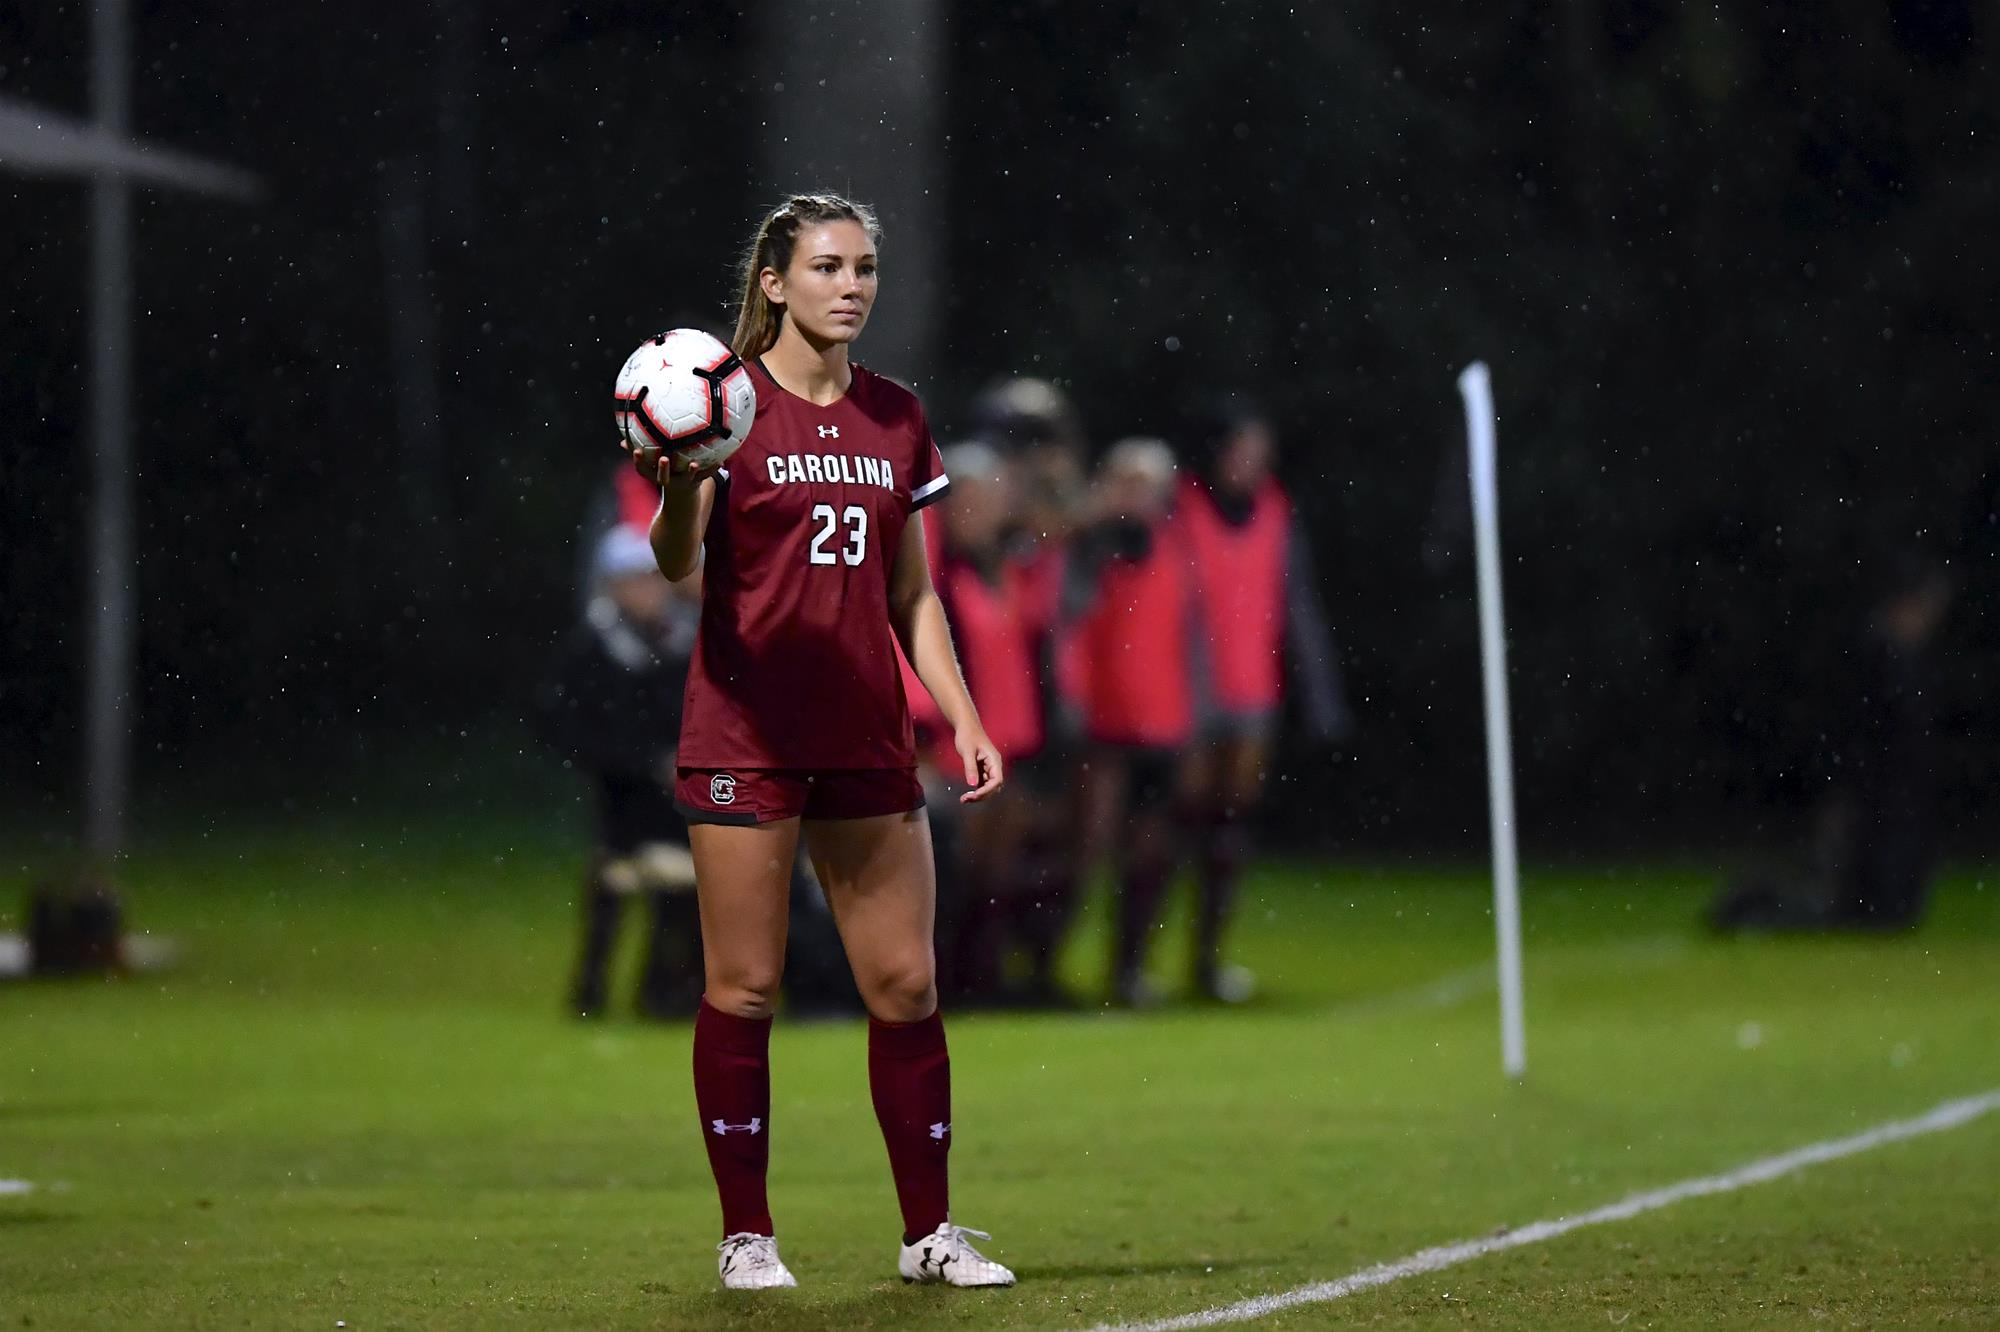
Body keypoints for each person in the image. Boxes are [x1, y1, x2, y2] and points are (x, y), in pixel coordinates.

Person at [623, 193, 1015, 1291]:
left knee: (904, 984)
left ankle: (927, 1234)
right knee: (744, 987)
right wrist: (678, 479)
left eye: (864, 270)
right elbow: (671, 563)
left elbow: (913, 597)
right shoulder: (721, 403)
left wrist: (963, 716)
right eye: (828, 267)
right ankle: (746, 1237)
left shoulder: (896, 415)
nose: (851, 287)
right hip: (745, 731)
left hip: (864, 735)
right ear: (774, 282)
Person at [1176, 396, 1350, 1001]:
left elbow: (1297, 606)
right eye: (1242, 450)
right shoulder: (1182, 509)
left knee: (1229, 833)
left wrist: (1320, 695)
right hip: (1186, 697)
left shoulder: (1277, 512)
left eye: (1260, 452)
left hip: (1251, 695)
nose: (1253, 463)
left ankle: (1207, 959)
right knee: (1175, 827)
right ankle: (1135, 964)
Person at [536, 525, 703, 1018]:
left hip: (674, 804)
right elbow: (566, 727)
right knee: (614, 889)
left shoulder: (681, 643)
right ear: (612, 584)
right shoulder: (592, 649)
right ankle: (592, 991)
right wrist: (646, 762)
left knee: (681, 898)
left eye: (654, 578)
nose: (649, 590)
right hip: (620, 802)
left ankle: (664, 993)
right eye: (636, 580)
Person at [1061, 437, 1194, 1007]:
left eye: (1145, 486)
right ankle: (1045, 968)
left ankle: (1129, 969)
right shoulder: (1086, 552)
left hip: (1164, 725)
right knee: (1085, 851)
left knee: (1150, 857)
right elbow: (1064, 626)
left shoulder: (1176, 548)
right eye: (1125, 483)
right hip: (1100, 726)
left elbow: (1194, 639)